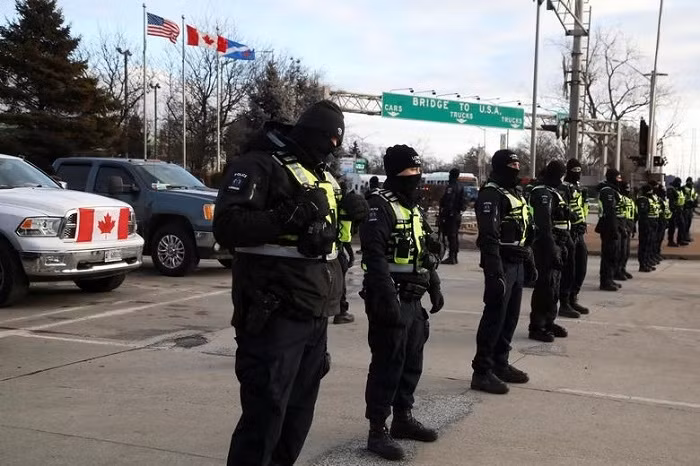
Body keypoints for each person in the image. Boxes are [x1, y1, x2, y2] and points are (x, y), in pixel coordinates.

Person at [213, 100, 369, 466]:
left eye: (337, 141)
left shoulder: (322, 175)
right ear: (314, 134)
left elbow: (330, 240)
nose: (332, 147)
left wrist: (350, 216)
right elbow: (228, 227)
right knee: (264, 415)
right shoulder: (258, 164)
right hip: (273, 312)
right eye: (329, 138)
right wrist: (289, 215)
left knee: (298, 415)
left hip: (315, 310)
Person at [360, 144, 444, 461]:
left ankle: (403, 418)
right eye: (409, 171)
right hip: (388, 297)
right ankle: (377, 430)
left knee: (412, 361)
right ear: (394, 172)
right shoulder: (379, 206)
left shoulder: (413, 208)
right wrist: (387, 300)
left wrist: (434, 285)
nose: (415, 176)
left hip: (414, 297)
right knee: (387, 363)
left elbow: (424, 253)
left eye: (417, 170)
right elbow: (374, 257)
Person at [472, 149, 534, 395]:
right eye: (511, 164)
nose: (516, 168)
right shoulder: (491, 194)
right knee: (494, 318)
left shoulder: (515, 193)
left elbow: (526, 230)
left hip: (517, 263)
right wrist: (494, 272)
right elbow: (488, 236)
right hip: (501, 264)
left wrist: (529, 261)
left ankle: (500, 362)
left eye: (518, 163)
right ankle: (482, 370)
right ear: (499, 167)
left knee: (510, 318)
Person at [529, 160, 576, 344]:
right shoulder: (541, 193)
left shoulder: (554, 192)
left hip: (559, 242)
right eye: (561, 175)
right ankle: (538, 326)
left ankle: (549, 321)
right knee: (545, 286)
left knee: (554, 286)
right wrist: (552, 247)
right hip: (546, 245)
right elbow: (544, 224)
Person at [560, 159, 590, 315]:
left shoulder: (579, 188)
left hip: (579, 232)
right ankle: (564, 302)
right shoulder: (563, 188)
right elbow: (562, 209)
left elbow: (582, 208)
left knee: (581, 266)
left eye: (580, 169)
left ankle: (573, 297)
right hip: (569, 232)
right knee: (568, 269)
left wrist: (583, 223)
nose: (577, 173)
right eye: (575, 170)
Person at [335, 181, 364, 325]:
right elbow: (344, 236)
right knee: (340, 283)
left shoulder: (331, 203)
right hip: (336, 249)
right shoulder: (345, 209)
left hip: (321, 247)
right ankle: (341, 312)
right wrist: (351, 255)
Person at [596, 168, 623, 291]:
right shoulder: (607, 191)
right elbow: (609, 211)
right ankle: (605, 281)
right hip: (608, 226)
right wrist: (613, 229)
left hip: (612, 225)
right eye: (618, 178)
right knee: (608, 254)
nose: (620, 180)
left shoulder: (612, 190)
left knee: (613, 254)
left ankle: (610, 278)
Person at [439, 168, 466, 264]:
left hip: (451, 215)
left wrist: (445, 213)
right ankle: (454, 256)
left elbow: (449, 201)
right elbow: (463, 202)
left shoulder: (452, 186)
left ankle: (451, 257)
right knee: (454, 235)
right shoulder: (460, 186)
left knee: (451, 236)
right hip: (457, 214)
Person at [615, 181, 635, 281]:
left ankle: (622, 268)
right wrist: (622, 227)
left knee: (626, 252)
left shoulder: (629, 200)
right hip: (622, 226)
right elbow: (617, 214)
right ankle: (617, 271)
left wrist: (633, 227)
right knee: (620, 251)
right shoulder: (619, 199)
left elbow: (632, 214)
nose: (628, 190)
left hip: (628, 225)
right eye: (626, 187)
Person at [636, 185, 658, 272]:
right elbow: (643, 213)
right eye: (650, 190)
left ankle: (647, 261)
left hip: (651, 223)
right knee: (644, 245)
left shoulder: (650, 199)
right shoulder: (642, 199)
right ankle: (642, 264)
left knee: (649, 244)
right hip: (645, 225)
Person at [667, 177, 688, 247]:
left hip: (680, 210)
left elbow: (682, 200)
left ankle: (680, 240)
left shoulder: (680, 190)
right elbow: (671, 201)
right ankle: (670, 241)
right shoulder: (671, 189)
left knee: (682, 225)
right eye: (678, 182)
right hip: (674, 211)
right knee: (672, 226)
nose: (679, 184)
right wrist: (673, 209)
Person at [656, 184, 672, 262]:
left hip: (664, 220)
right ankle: (655, 254)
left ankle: (658, 253)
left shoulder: (664, 199)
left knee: (660, 239)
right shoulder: (658, 199)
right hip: (659, 221)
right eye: (663, 190)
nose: (665, 191)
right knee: (657, 239)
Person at [682, 177, 697, 242]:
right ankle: (684, 237)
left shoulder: (693, 189)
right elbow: (681, 198)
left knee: (688, 223)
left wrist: (695, 202)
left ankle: (687, 236)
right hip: (685, 208)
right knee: (685, 223)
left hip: (690, 208)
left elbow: (694, 196)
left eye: (690, 181)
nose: (690, 182)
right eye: (688, 181)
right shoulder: (683, 188)